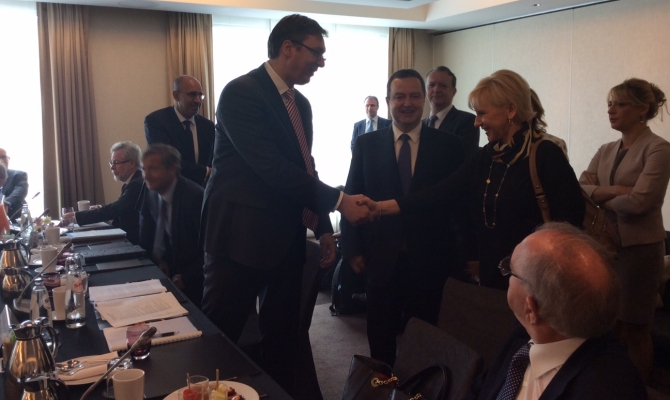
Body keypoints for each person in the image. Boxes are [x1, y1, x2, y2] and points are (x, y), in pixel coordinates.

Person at [200, 14, 371, 398]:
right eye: (317, 52)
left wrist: (322, 227)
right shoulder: (241, 92)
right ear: (288, 47)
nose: (321, 62)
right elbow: (270, 168)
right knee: (221, 337)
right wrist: (340, 201)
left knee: (282, 340)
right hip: (238, 239)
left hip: (285, 240)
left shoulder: (301, 104)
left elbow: (304, 167)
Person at [365, 70, 585, 289]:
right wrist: (381, 207)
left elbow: (571, 222)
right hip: (494, 277)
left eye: (482, 114)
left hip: (536, 279)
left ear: (510, 110)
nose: (477, 123)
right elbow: (440, 193)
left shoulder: (546, 155)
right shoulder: (486, 157)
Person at [341, 69, 465, 366]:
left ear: (424, 100)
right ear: (388, 101)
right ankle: (382, 386)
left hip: (431, 258)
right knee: (380, 335)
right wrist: (352, 249)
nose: (407, 103)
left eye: (414, 96)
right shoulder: (367, 144)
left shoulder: (448, 145)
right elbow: (351, 197)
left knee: (426, 336)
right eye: (399, 97)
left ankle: (421, 386)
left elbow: (458, 204)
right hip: (379, 257)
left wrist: (466, 254)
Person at [467, 222, 648, 400]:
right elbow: (482, 390)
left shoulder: (604, 388)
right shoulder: (524, 334)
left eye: (510, 270)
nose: (506, 274)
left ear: (531, 309)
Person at [579, 78, 670, 383]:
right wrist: (617, 190)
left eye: (620, 104)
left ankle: (639, 389)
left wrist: (600, 195)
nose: (611, 110)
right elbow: (580, 188)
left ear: (642, 109)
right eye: (609, 104)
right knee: (609, 326)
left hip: (639, 250)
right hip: (604, 246)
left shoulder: (658, 148)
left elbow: (640, 203)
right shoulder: (606, 149)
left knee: (635, 328)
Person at [138, 144, 204, 308]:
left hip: (197, 284)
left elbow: (211, 249)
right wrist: (162, 261)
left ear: (173, 169)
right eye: (144, 169)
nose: (146, 176)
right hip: (169, 275)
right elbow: (157, 233)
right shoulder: (152, 193)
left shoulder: (194, 198)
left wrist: (188, 277)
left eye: (153, 169)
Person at [65, 141, 143, 244]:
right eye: (111, 163)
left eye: (116, 162)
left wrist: (77, 216)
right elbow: (122, 206)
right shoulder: (134, 181)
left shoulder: (137, 184)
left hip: (131, 242)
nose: (111, 167)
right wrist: (100, 207)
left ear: (132, 163)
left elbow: (116, 209)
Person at [144, 75, 215, 187]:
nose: (197, 100)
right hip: (171, 192)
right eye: (192, 94)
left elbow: (214, 159)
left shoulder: (208, 126)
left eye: (200, 95)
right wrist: (206, 172)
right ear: (176, 95)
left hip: (204, 192)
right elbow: (167, 162)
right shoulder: (156, 121)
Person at [424, 66, 480, 156]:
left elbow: (465, 159)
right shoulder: (420, 125)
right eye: (432, 85)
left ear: (453, 92)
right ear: (425, 90)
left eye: (443, 86)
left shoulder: (467, 121)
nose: (436, 90)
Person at [0, 148, 28, 221]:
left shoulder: (19, 175)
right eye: (0, 157)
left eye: (4, 157)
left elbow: (19, 192)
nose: (2, 160)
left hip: (16, 220)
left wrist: (4, 204)